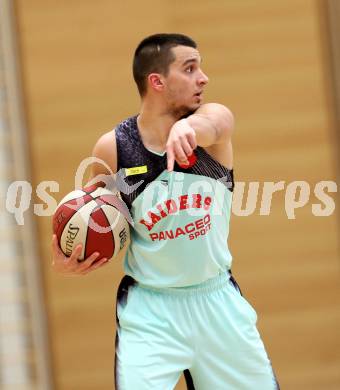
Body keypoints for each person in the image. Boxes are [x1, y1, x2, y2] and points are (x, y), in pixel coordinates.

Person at [52, 33, 279, 389]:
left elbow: (216, 122)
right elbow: (96, 215)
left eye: (200, 67)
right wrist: (73, 255)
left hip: (217, 301)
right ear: (156, 81)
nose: (203, 77)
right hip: (151, 312)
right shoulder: (114, 148)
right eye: (190, 69)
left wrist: (188, 128)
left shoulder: (213, 125)